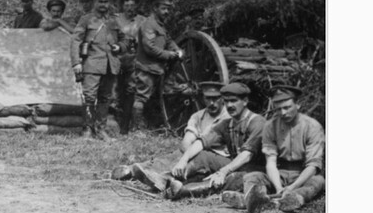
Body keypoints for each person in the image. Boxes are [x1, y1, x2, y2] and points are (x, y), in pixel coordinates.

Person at [112, 82, 265, 201]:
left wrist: (223, 171)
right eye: (227, 101)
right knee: (202, 155)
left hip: (255, 171)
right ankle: (165, 179)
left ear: (245, 101)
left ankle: (180, 190)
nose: (230, 105)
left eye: (234, 101)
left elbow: (247, 155)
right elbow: (201, 142)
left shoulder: (257, 122)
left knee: (229, 180)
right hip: (234, 165)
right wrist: (183, 161)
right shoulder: (227, 123)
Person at [222, 84, 326, 213]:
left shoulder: (312, 127)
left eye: (287, 107)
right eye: (278, 109)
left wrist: (292, 187)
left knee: (318, 181)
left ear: (297, 105)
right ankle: (257, 199)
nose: (283, 113)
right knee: (252, 176)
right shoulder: (270, 126)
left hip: (303, 173)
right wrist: (278, 187)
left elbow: (313, 166)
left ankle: (293, 198)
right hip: (279, 173)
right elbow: (270, 162)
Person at [70, 0, 127, 141]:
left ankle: (101, 130)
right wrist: (76, 62)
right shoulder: (86, 19)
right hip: (92, 65)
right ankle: (87, 131)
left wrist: (119, 47)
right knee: (89, 97)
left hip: (110, 65)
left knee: (105, 98)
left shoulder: (114, 21)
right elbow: (76, 40)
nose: (103, 4)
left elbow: (124, 39)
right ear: (95, 2)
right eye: (100, 1)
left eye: (106, 1)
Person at [130, 0, 183, 131]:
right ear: (155, 8)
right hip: (146, 68)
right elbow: (149, 48)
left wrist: (177, 50)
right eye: (164, 8)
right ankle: (136, 130)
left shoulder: (161, 26)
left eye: (169, 9)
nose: (167, 12)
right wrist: (169, 54)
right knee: (141, 98)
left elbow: (169, 40)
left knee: (154, 99)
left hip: (158, 69)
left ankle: (151, 127)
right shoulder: (148, 24)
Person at [114, 0, 146, 133]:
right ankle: (112, 126)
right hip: (116, 59)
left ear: (137, 5)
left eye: (132, 5)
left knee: (130, 91)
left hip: (134, 59)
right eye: (127, 5)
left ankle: (127, 127)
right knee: (114, 93)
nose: (130, 8)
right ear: (122, 6)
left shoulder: (143, 21)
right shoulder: (115, 19)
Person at [180, 81, 229, 152]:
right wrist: (188, 153)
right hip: (201, 154)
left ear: (222, 99)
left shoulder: (230, 116)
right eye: (208, 98)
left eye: (215, 98)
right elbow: (187, 141)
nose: (211, 103)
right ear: (203, 98)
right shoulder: (197, 117)